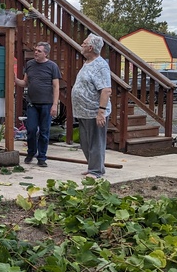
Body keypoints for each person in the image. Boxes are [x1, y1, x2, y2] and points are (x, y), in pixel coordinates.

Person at [13, 42, 61, 167]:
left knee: (44, 132)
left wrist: (55, 105)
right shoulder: (29, 65)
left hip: (47, 104)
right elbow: (25, 83)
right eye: (35, 50)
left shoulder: (52, 66)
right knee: (31, 129)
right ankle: (31, 152)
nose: (35, 52)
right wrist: (15, 80)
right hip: (32, 103)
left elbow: (56, 87)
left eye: (39, 51)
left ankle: (42, 157)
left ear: (46, 53)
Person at [71, 34, 112, 179]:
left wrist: (101, 111)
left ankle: (96, 171)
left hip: (94, 111)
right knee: (85, 142)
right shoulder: (87, 62)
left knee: (96, 142)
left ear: (90, 47)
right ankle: (94, 167)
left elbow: (106, 90)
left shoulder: (100, 66)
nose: (81, 45)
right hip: (83, 111)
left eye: (84, 43)